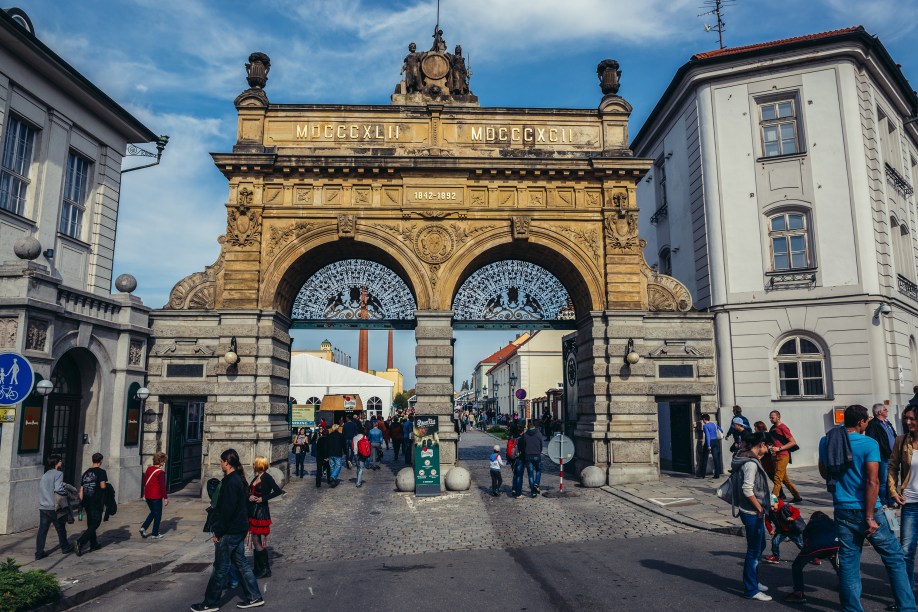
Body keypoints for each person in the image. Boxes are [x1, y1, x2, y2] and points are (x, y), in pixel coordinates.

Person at [818, 404, 915, 612]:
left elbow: (825, 473)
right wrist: (870, 516)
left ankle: (852, 609)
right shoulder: (868, 443)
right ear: (862, 422)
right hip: (868, 510)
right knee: (894, 557)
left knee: (849, 561)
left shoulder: (826, 440)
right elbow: (873, 482)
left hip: (842, 508)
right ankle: (907, 607)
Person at [192, 449, 264, 611]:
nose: (220, 463)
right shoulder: (237, 479)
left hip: (230, 531)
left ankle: (210, 603)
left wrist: (218, 532)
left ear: (227, 463)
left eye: (221, 460)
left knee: (220, 568)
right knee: (241, 563)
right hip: (238, 528)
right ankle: (254, 596)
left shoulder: (231, 482)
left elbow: (227, 511)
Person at [731, 431, 773, 601]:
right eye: (767, 445)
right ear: (761, 444)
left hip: (750, 510)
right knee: (753, 550)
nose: (769, 448)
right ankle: (751, 589)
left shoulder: (749, 458)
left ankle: (754, 581)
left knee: (760, 545)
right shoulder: (751, 464)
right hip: (752, 512)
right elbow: (747, 489)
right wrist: (760, 509)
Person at [889, 404, 918, 589]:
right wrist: (893, 491)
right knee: (906, 551)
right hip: (910, 502)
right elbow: (892, 467)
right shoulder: (901, 441)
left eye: (912, 418)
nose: (908, 422)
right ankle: (905, 597)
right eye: (906, 418)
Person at [783, 511, 841, 604]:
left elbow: (805, 538)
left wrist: (812, 556)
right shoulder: (831, 522)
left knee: (797, 566)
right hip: (835, 544)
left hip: (816, 545)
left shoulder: (813, 522)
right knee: (835, 561)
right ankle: (844, 585)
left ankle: (798, 593)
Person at [248, 456, 283, 579]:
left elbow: (278, 491)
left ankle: (265, 569)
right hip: (254, 511)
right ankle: (258, 567)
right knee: (254, 539)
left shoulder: (267, 477)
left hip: (261, 511)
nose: (252, 465)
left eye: (254, 463)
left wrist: (263, 498)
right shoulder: (257, 477)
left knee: (257, 540)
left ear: (259, 465)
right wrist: (250, 496)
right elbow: (249, 490)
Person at [36, 454, 72, 559]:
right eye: (60, 461)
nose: (61, 462)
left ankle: (39, 553)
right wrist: (66, 492)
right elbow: (58, 489)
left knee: (42, 530)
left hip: (43, 506)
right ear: (57, 462)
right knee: (61, 528)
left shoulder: (45, 474)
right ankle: (65, 547)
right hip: (54, 507)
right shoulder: (58, 473)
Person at [75, 452, 107, 556]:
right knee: (96, 522)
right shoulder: (101, 472)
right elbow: (102, 486)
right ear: (101, 461)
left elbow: (81, 489)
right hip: (96, 501)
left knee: (90, 522)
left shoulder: (86, 473)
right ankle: (80, 542)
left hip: (86, 501)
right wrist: (107, 487)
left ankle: (93, 544)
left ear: (93, 460)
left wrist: (81, 502)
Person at [866, 403, 897, 507]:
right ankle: (883, 501)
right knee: (883, 481)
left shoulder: (887, 422)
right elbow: (873, 441)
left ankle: (891, 499)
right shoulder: (873, 424)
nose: (887, 411)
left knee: (891, 479)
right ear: (879, 412)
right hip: (883, 456)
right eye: (885, 409)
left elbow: (893, 435)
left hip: (893, 456)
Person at [768, 411, 802, 503]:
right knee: (784, 479)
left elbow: (793, 442)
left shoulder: (783, 427)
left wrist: (779, 448)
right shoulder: (772, 428)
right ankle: (797, 496)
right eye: (770, 417)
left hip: (783, 456)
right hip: (775, 456)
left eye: (772, 417)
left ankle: (773, 501)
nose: (770, 419)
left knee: (777, 478)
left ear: (778, 417)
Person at [763, 495, 804, 564]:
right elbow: (767, 521)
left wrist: (793, 517)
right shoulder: (770, 511)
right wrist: (770, 529)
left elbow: (796, 511)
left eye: (773, 506)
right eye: (770, 507)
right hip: (781, 530)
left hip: (792, 530)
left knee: (800, 544)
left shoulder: (785, 508)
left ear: (777, 502)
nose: (772, 509)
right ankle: (776, 557)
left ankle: (813, 556)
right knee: (775, 542)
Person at [140, 451, 168, 540]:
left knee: (153, 512)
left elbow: (145, 482)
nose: (164, 463)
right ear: (161, 462)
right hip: (156, 496)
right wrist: (166, 498)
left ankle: (143, 527)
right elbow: (162, 486)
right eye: (164, 461)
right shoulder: (160, 472)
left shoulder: (149, 469)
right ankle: (155, 533)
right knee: (158, 515)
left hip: (148, 495)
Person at [522, 420, 543, 497]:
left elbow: (524, 445)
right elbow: (541, 444)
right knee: (538, 470)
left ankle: (533, 492)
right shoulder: (539, 434)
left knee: (530, 474)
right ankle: (536, 484)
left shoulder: (525, 435)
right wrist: (539, 451)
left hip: (528, 456)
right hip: (537, 455)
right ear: (534, 427)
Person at [698, 413, 723, 479]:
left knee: (704, 458)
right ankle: (717, 474)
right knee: (716, 458)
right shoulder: (714, 424)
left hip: (709, 442)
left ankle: (702, 474)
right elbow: (721, 430)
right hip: (715, 441)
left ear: (704, 419)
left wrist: (708, 445)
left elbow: (707, 436)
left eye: (702, 419)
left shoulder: (705, 426)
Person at [509, 425, 525, 498]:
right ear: (522, 432)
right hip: (519, 459)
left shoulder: (512, 439)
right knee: (519, 476)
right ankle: (519, 494)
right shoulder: (521, 439)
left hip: (512, 459)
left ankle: (514, 489)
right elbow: (523, 451)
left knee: (515, 475)